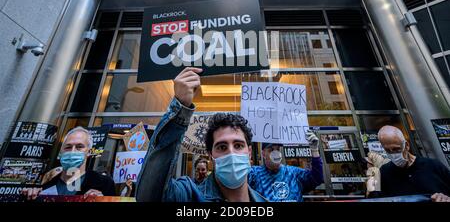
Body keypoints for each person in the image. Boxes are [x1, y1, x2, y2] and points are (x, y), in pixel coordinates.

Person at [136, 67, 266, 202]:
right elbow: (150, 197)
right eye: (222, 147)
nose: (231, 153)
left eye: (238, 145)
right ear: (210, 154)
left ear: (249, 152)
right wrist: (181, 107)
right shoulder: (189, 195)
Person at [22, 127, 116, 200]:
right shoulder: (46, 187)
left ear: (89, 152)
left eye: (79, 147)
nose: (73, 151)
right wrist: (30, 197)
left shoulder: (104, 183)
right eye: (68, 147)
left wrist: (103, 200)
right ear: (60, 152)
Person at [368, 125, 450, 202]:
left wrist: (446, 198)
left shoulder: (433, 166)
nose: (393, 154)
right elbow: (372, 197)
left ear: (406, 146)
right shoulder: (383, 172)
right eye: (388, 150)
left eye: (396, 149)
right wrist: (371, 172)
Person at [248, 137, 323, 202]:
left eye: (277, 149)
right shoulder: (255, 174)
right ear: (263, 154)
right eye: (271, 150)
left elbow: (317, 178)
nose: (276, 153)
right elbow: (239, 180)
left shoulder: (293, 173)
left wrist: (315, 151)